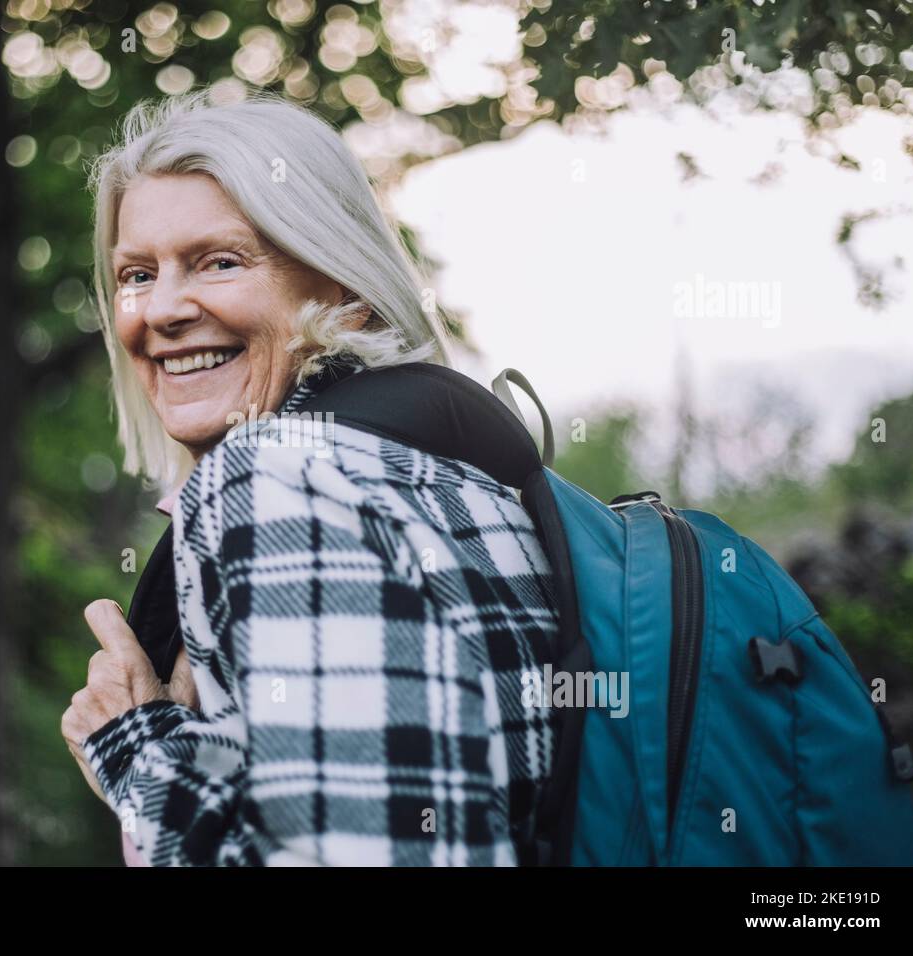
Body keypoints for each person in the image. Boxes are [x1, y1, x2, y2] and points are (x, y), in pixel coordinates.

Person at [61, 88, 560, 866]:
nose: (158, 310)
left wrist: (131, 747)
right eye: (135, 275)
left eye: (218, 262)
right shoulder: (440, 475)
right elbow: (332, 779)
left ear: (346, 293)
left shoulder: (278, 480)